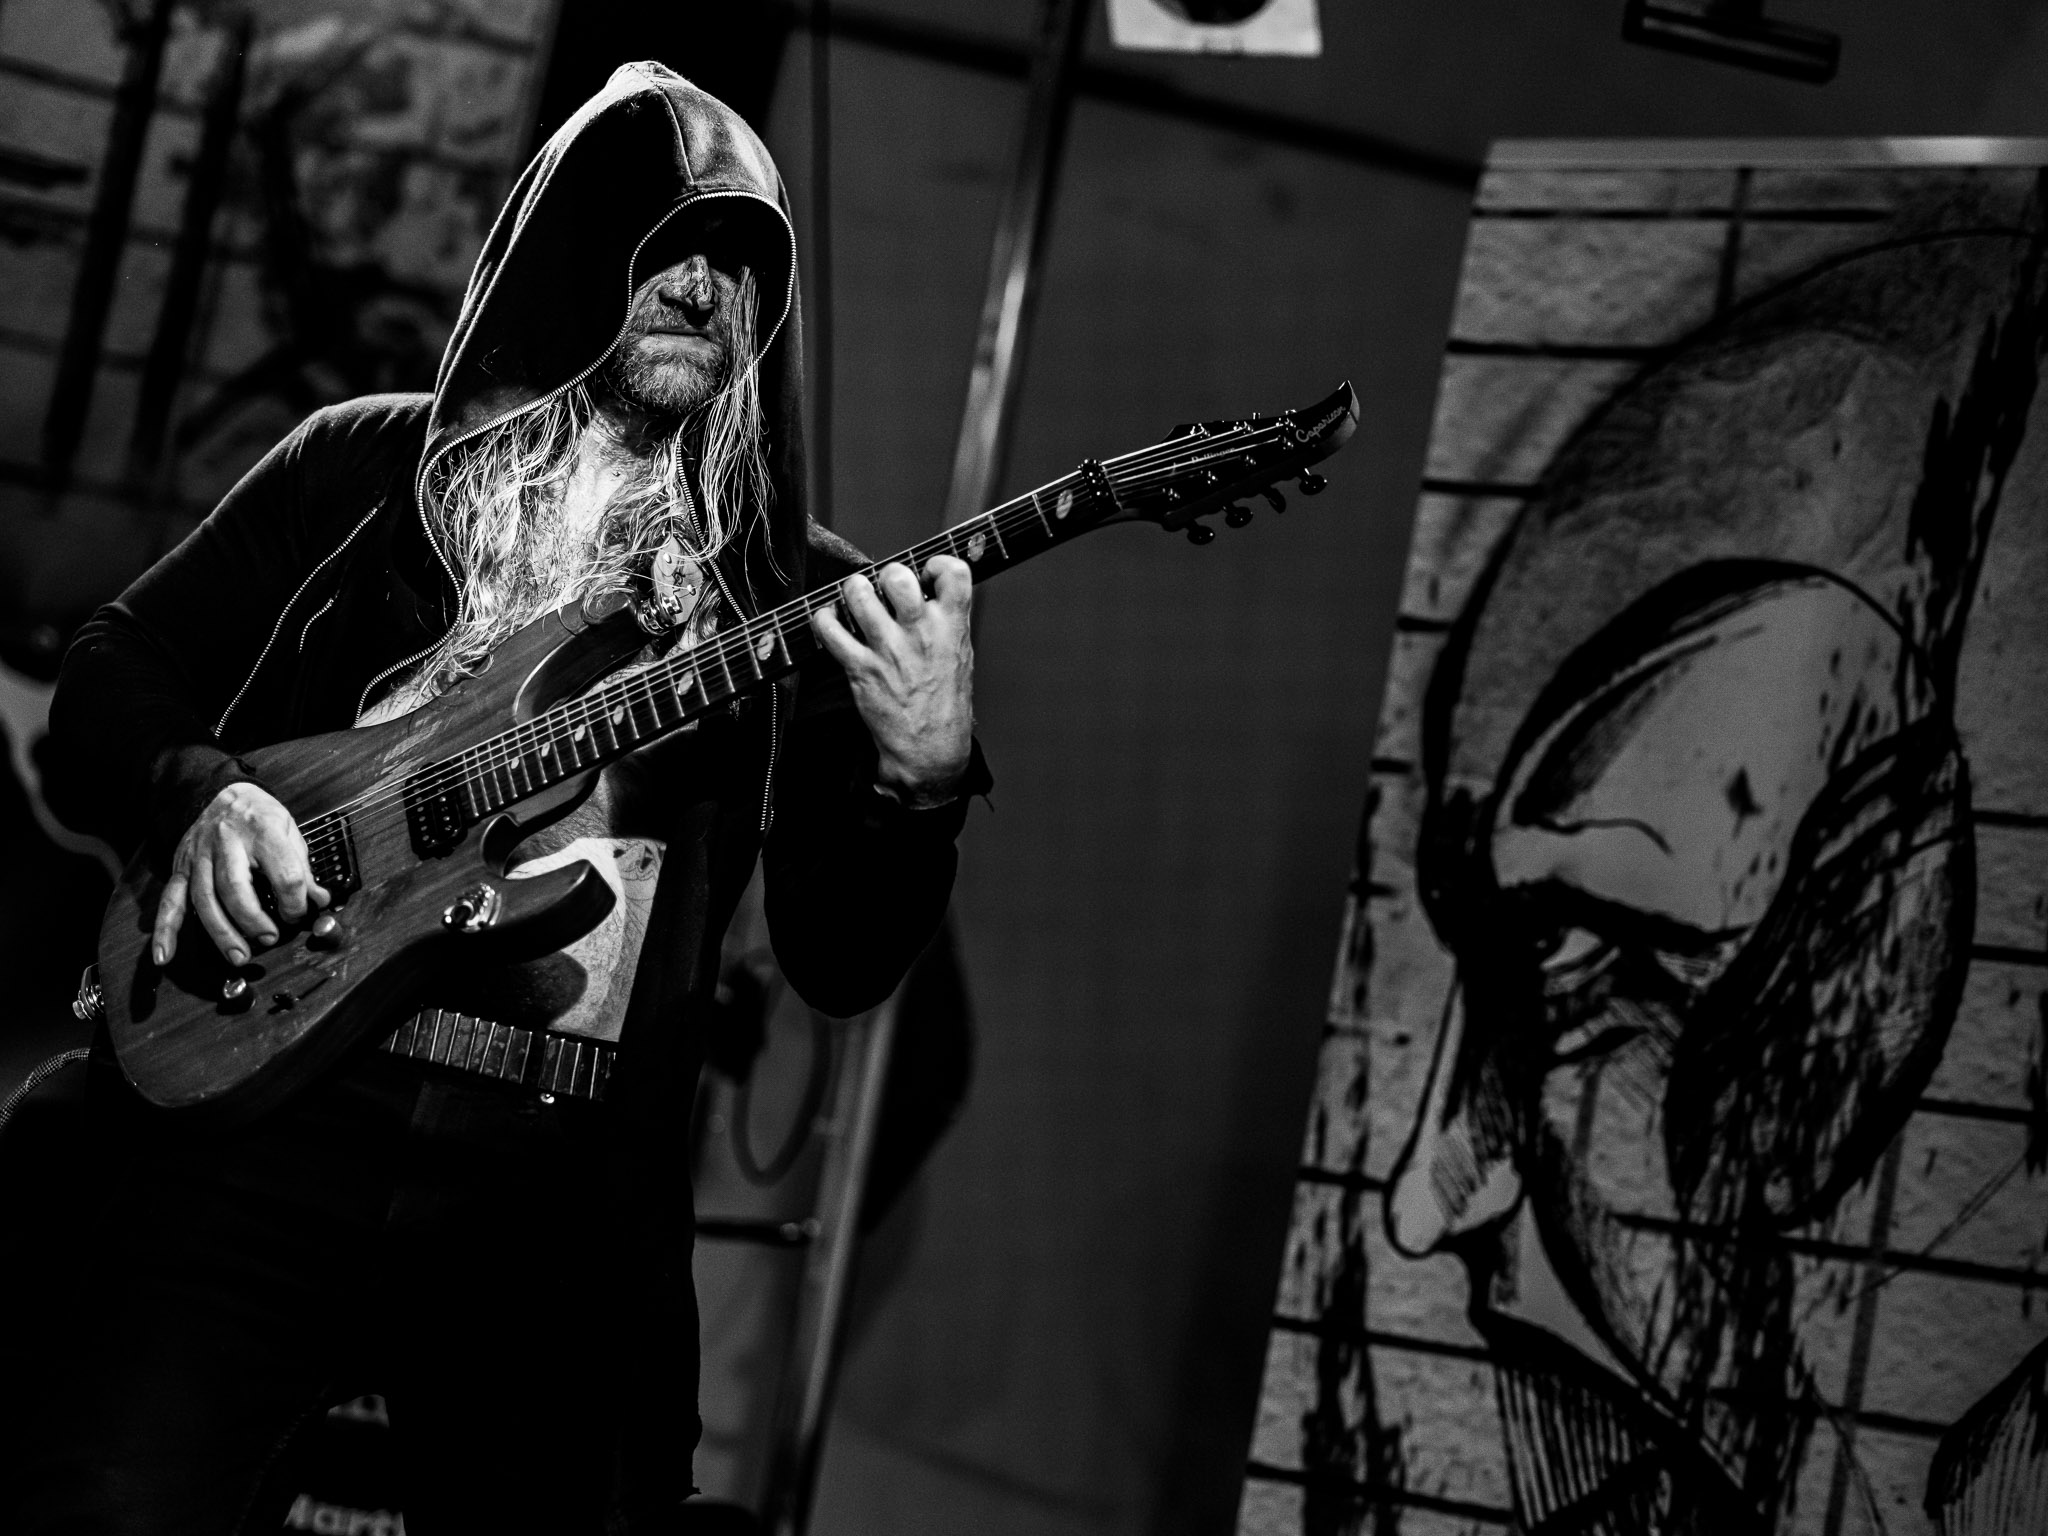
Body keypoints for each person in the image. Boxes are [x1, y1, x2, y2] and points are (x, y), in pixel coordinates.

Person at [6, 63, 985, 1534]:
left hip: (559, 1196)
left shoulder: (800, 603)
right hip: (273, 1103)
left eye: (742, 266)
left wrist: (917, 785)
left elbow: (842, 959)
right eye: (670, 243)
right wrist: (201, 796)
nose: (705, 290)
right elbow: (112, 669)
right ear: (573, 248)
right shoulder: (360, 468)